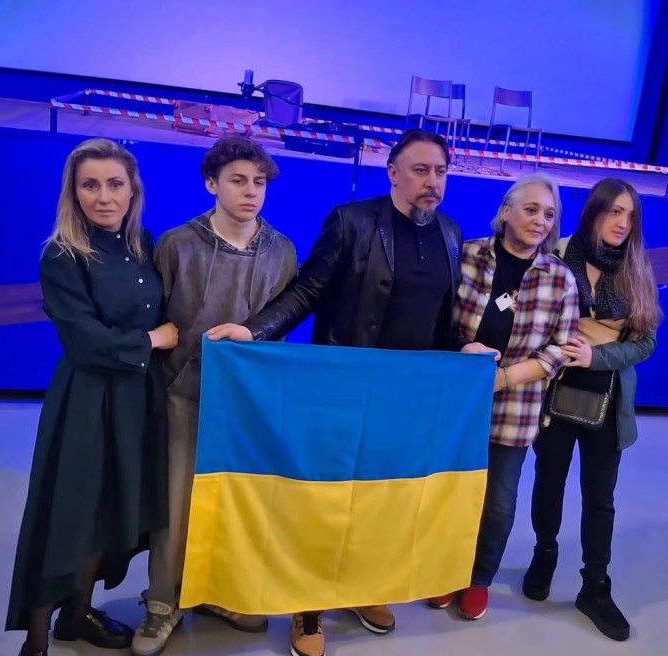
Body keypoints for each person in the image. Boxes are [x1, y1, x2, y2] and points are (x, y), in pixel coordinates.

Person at [206, 129, 496, 656]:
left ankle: (363, 589)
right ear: (393, 173)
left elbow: (438, 322)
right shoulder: (351, 222)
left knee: (383, 502)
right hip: (342, 392)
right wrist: (255, 330)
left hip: (404, 400)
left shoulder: (451, 233)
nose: (432, 181)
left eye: (440, 172)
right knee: (325, 502)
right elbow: (307, 291)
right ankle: (308, 607)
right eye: (420, 170)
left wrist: (464, 348)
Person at [7, 138, 178, 656]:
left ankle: (77, 616)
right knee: (70, 512)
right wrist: (152, 340)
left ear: (132, 190)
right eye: (90, 185)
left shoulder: (143, 243)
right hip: (86, 400)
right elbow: (85, 341)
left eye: (114, 184)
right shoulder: (62, 255)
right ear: (74, 192)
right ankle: (36, 639)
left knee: (110, 510)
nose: (103, 196)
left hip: (136, 400)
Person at [131, 136, 297, 656]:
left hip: (246, 403)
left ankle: (216, 593)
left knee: (235, 500)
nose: (251, 192)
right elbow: (157, 320)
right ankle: (162, 603)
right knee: (177, 505)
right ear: (211, 184)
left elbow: (278, 325)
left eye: (259, 182)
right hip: (183, 394)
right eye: (238, 180)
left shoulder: (282, 251)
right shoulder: (176, 245)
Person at [428, 173, 579, 620]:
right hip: (457, 400)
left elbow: (562, 348)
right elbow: (438, 319)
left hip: (515, 407)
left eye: (549, 214)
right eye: (531, 209)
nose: (540, 221)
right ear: (507, 211)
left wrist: (507, 378)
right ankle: (445, 571)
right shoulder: (467, 254)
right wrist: (463, 351)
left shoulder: (559, 277)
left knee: (498, 503)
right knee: (450, 491)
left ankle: (478, 578)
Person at [523, 177, 661, 642]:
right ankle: (544, 553)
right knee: (549, 481)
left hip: (609, 397)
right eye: (615, 211)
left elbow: (646, 343)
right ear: (594, 211)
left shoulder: (637, 268)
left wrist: (597, 354)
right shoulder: (560, 253)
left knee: (600, 497)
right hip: (556, 389)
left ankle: (595, 586)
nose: (623, 223)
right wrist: (566, 346)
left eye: (631, 215)